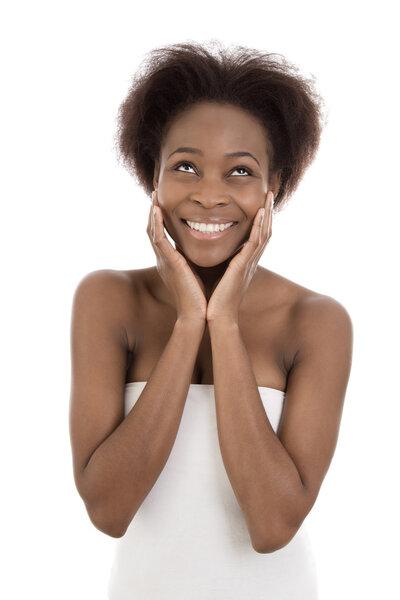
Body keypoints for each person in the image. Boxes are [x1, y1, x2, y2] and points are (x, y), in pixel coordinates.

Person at [69, 40, 353, 599]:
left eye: (240, 172)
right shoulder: (108, 299)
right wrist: (186, 325)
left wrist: (223, 324)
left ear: (273, 189)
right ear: (153, 176)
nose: (208, 195)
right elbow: (108, 509)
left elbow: (272, 527)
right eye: (186, 166)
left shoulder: (315, 321)